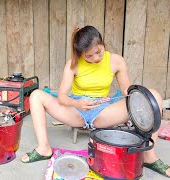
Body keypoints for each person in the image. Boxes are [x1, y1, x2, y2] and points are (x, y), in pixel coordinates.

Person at [21, 25, 170, 178]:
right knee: (36, 95)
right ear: (81, 54)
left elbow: (127, 92)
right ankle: (43, 148)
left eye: (98, 52)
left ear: (102, 44)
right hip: (76, 112)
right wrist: (78, 104)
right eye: (89, 56)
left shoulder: (116, 61)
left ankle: (149, 156)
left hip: (104, 112)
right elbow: (62, 97)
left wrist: (139, 100)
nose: (96, 58)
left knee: (154, 96)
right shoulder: (73, 63)